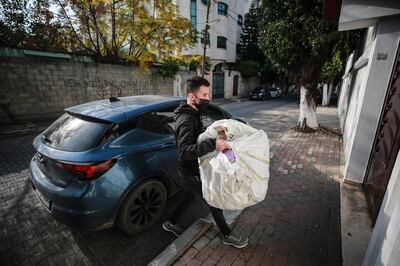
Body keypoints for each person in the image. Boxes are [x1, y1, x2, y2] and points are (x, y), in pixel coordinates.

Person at [162, 76, 248, 248]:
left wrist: (213, 133)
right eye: (204, 94)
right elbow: (184, 151)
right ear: (192, 96)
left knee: (189, 197)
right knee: (214, 201)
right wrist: (212, 144)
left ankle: (170, 223)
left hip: (192, 172)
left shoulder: (193, 113)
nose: (208, 98)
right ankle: (227, 234)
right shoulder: (185, 120)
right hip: (190, 172)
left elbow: (196, 136)